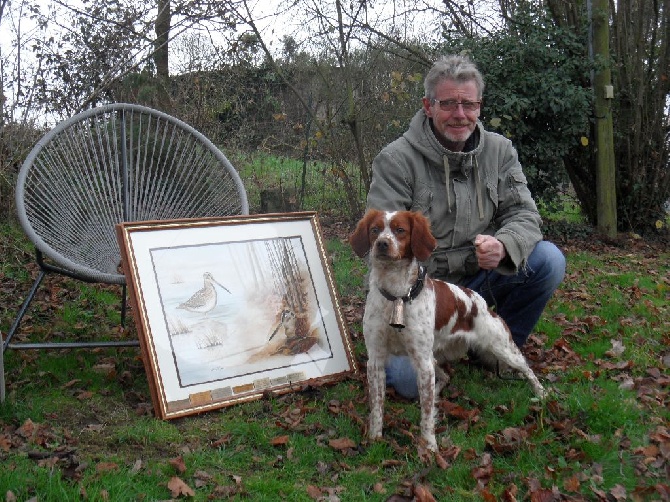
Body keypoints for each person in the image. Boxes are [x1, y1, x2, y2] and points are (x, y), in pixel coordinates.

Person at [366, 54, 566, 399]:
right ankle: (442, 344)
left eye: (468, 104)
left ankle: (496, 350)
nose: (460, 114)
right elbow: (382, 242)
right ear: (428, 106)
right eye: (448, 104)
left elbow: (525, 214)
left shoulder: (501, 152)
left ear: (479, 106)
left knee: (549, 261)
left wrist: (504, 245)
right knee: (407, 383)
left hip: (482, 281)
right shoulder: (396, 160)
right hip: (420, 293)